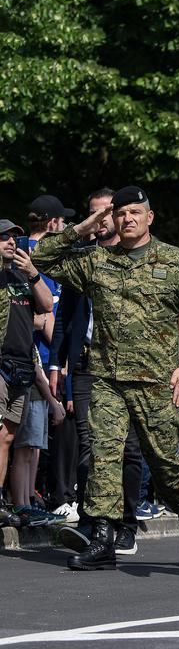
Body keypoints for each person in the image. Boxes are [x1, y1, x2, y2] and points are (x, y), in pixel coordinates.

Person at [34, 186, 179, 570]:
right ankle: (103, 537)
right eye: (121, 213)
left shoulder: (174, 263)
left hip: (156, 383)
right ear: (113, 220)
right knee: (103, 456)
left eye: (136, 212)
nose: (128, 218)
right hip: (105, 379)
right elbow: (42, 258)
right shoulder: (97, 260)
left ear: (149, 217)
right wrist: (82, 227)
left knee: (165, 462)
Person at [0, 218, 57, 526]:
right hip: (0, 362)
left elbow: (47, 305)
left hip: (22, 365)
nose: (11, 242)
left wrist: (34, 273)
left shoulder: (23, 275)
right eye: (4, 238)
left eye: (14, 238)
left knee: (8, 436)